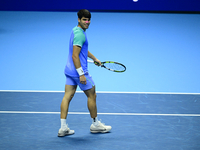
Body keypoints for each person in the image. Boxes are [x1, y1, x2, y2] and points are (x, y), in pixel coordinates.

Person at [58, 9, 112, 137]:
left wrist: (95, 59)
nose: (87, 22)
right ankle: (95, 125)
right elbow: (75, 56)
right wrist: (81, 74)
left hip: (69, 70)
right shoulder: (81, 34)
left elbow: (82, 49)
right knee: (92, 95)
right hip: (78, 71)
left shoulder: (75, 31)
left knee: (67, 96)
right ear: (79, 19)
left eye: (88, 20)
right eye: (84, 20)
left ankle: (63, 128)